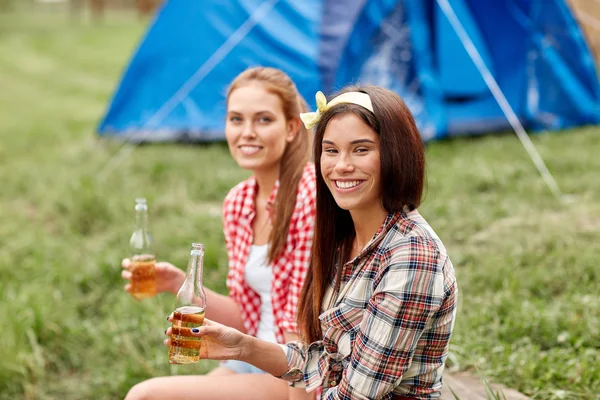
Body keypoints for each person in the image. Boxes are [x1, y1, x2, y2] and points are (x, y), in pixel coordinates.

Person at [166, 85, 459, 399]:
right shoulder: (343, 239)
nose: (341, 165)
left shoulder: (411, 256)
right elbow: (324, 363)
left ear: (395, 154)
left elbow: (356, 394)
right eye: (331, 150)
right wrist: (242, 346)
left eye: (361, 149)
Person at [123, 67, 317, 400]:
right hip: (253, 355)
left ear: (291, 128)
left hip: (302, 368)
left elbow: (302, 329)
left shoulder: (310, 194)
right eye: (236, 119)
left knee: (145, 396)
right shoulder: (238, 202)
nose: (247, 132)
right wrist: (175, 282)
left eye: (263, 120)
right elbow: (247, 315)